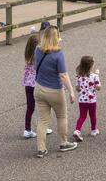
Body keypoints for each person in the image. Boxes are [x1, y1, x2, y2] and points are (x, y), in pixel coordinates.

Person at [32, 26, 78, 157]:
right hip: (54, 91)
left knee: (42, 120)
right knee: (61, 116)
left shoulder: (37, 50)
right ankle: (63, 143)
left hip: (39, 88)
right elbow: (63, 75)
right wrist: (71, 91)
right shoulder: (59, 54)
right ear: (56, 37)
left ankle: (41, 148)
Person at [21, 32, 50, 139]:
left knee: (30, 107)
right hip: (37, 83)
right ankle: (43, 126)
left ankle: (27, 129)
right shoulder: (38, 55)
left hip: (27, 84)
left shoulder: (28, 55)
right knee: (44, 106)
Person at [72, 55, 101, 141]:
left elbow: (77, 88)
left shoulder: (78, 76)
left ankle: (77, 130)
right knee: (93, 116)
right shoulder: (94, 76)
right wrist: (98, 75)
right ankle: (93, 130)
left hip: (82, 100)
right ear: (91, 66)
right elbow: (98, 87)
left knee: (82, 116)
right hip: (92, 101)